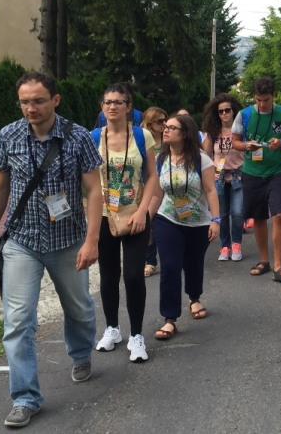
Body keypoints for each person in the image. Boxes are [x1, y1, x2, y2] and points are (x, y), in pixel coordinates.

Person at [0, 72, 103, 428]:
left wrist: (92, 240)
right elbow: (0, 186)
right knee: (18, 320)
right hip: (22, 241)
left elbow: (94, 190)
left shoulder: (77, 137)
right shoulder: (9, 135)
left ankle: (81, 353)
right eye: (24, 102)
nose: (30, 108)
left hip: (68, 240)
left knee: (78, 308)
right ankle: (25, 397)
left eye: (38, 101)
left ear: (55, 100)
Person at [92, 85, 159, 362]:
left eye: (119, 102)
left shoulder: (142, 136)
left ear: (128, 106)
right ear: (102, 106)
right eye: (108, 102)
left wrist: (143, 211)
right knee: (108, 276)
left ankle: (136, 335)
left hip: (134, 214)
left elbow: (153, 176)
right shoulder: (94, 137)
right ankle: (111, 328)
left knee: (133, 275)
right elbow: (88, 180)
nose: (113, 107)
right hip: (105, 215)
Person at [149, 114, 220, 340]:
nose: (165, 130)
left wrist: (215, 221)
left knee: (193, 263)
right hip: (167, 218)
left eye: (172, 127)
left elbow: (210, 190)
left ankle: (194, 297)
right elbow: (157, 193)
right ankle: (170, 318)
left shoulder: (201, 160)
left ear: (185, 133)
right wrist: (147, 220)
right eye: (165, 126)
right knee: (169, 266)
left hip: (198, 222)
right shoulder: (161, 159)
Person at [232, 77, 281, 283]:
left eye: (266, 100)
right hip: (252, 172)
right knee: (259, 217)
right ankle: (264, 260)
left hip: (277, 171)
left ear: (274, 96)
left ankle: (278, 266)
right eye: (258, 100)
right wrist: (246, 146)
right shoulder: (244, 115)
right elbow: (235, 142)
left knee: (279, 215)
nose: (262, 104)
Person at [202, 93, 245, 261]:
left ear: (234, 111)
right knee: (223, 214)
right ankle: (225, 246)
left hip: (238, 176)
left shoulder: (241, 130)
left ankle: (236, 244)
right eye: (221, 111)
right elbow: (205, 155)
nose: (224, 114)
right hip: (218, 177)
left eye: (228, 110)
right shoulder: (212, 132)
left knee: (238, 212)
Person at [140, 107, 167, 276]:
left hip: (168, 189)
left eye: (165, 120)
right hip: (146, 187)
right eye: (159, 121)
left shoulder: (169, 142)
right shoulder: (141, 142)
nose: (164, 124)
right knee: (148, 223)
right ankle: (150, 261)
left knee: (160, 225)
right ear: (150, 124)